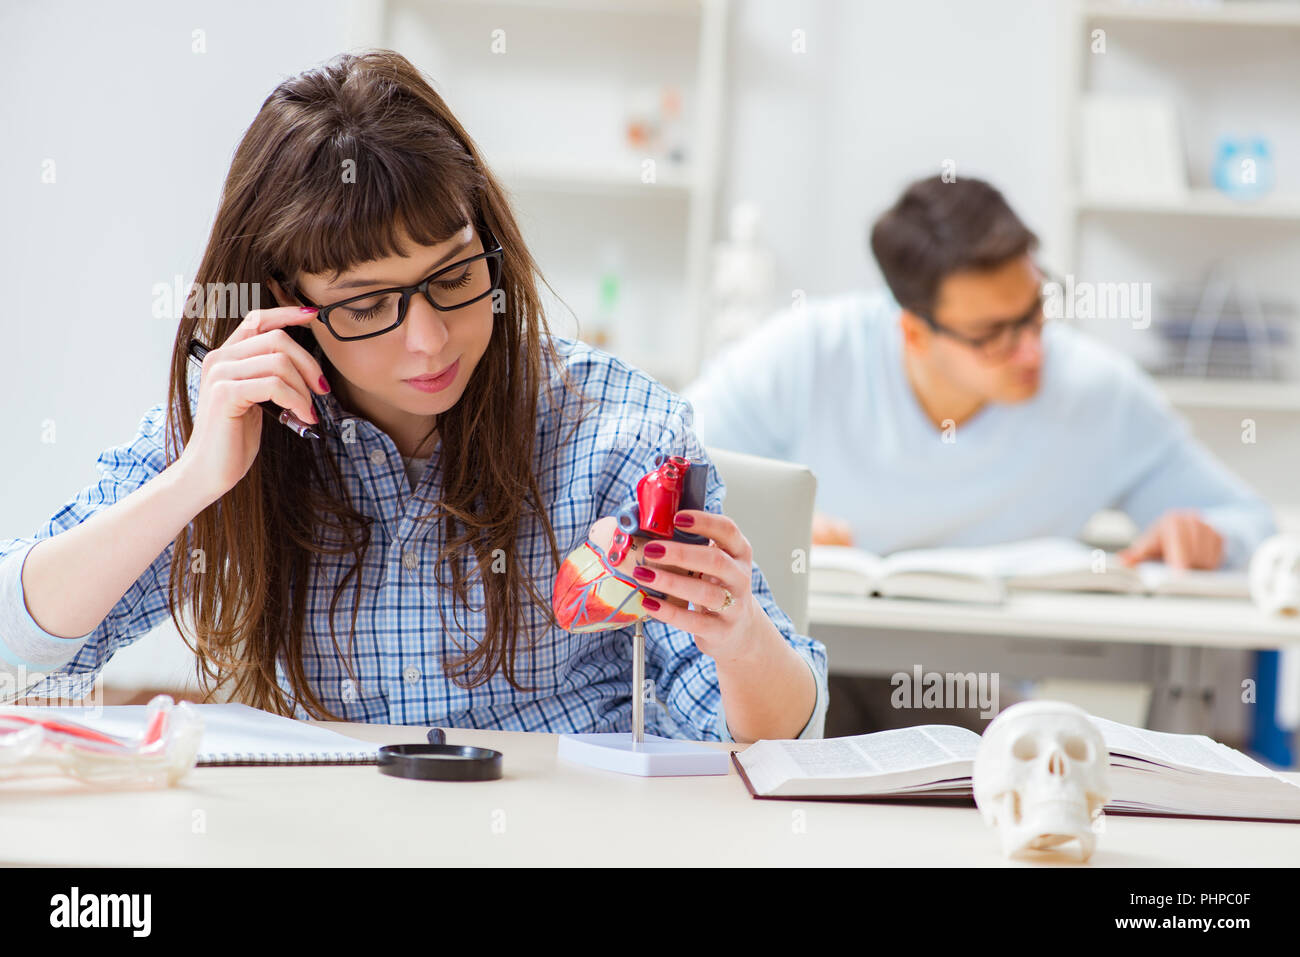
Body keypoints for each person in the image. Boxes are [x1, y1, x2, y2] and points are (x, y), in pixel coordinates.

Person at [0, 50, 825, 744]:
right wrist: (191, 484)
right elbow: (21, 654)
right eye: (366, 305)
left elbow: (771, 741)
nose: (428, 341)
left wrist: (742, 636)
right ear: (284, 304)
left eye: (455, 275)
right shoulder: (233, 420)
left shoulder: (615, 431)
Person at [683, 174, 1275, 735]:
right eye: (994, 334)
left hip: (975, 690)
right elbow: (667, 462)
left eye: (1036, 312)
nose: (1030, 350)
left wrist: (1213, 537)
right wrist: (773, 532)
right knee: (772, 754)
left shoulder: (1098, 394)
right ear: (912, 331)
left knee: (1025, 762)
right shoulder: (810, 353)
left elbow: (1252, 524)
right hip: (802, 663)